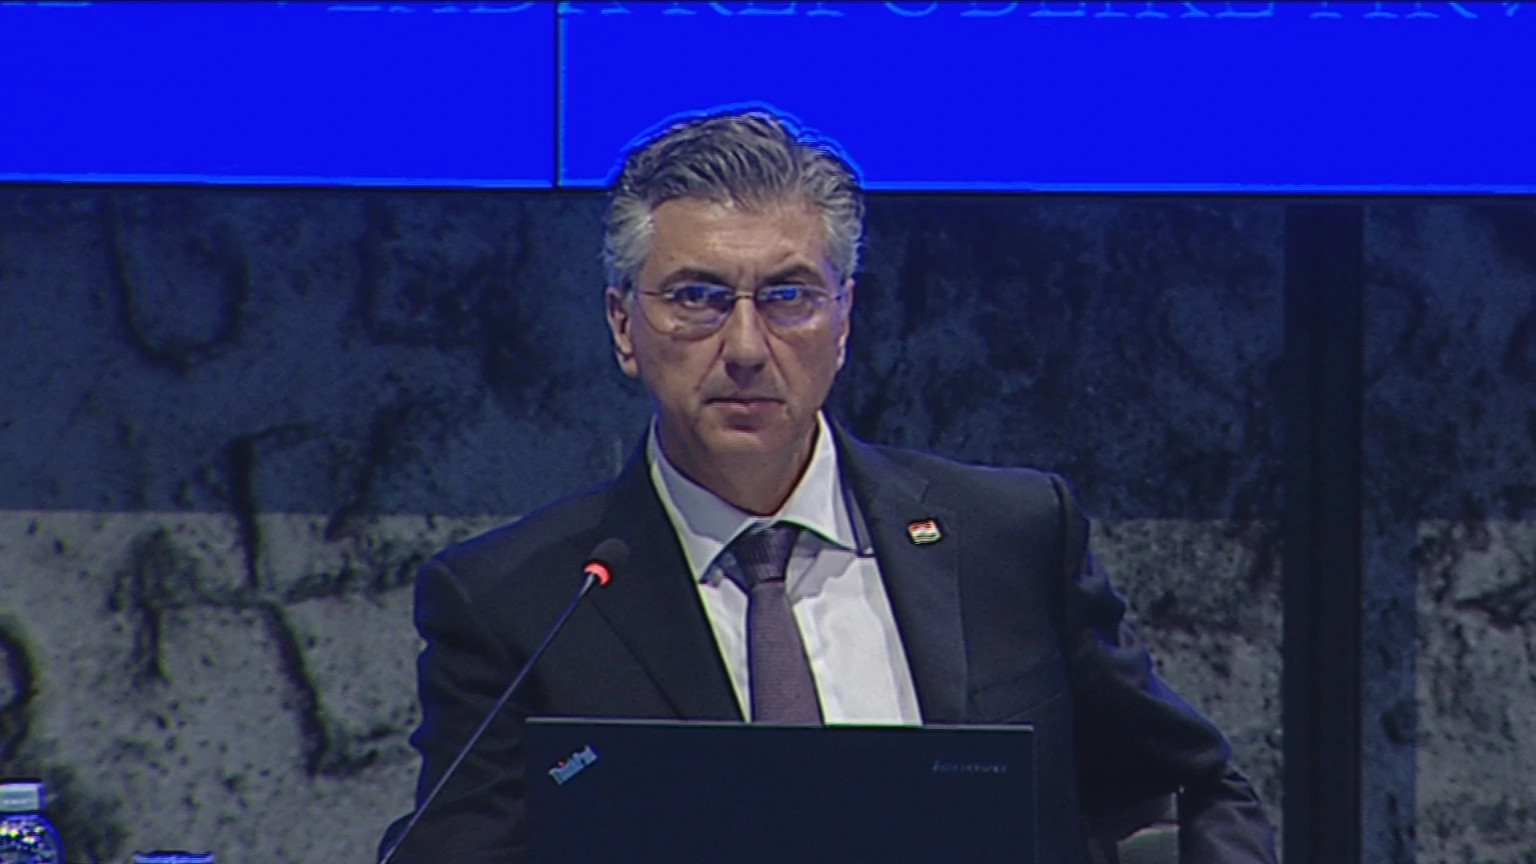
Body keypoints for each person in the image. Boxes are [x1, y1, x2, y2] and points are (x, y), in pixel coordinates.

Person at [380, 108, 1278, 864]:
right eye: (696, 296)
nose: (743, 346)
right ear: (624, 325)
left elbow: (1194, 790)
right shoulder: (520, 604)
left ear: (844, 321)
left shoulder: (1009, 537)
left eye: (788, 296)